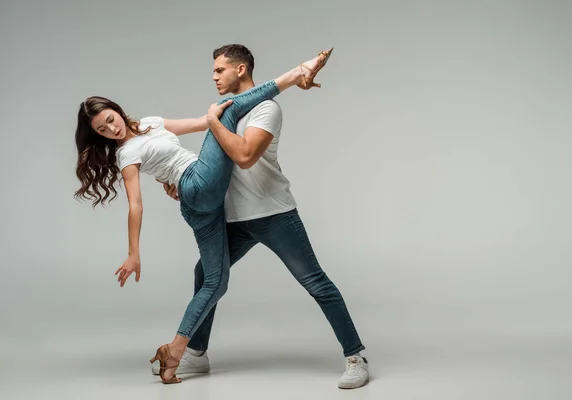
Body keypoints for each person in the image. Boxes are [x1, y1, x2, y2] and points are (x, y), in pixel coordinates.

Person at [73, 47, 334, 385]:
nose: (112, 129)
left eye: (110, 119)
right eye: (102, 131)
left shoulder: (151, 123)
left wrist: (202, 136)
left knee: (215, 281)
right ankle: (299, 73)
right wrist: (133, 252)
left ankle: (175, 352)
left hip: (196, 200)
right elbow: (135, 205)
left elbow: (199, 125)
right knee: (223, 114)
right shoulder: (126, 155)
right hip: (196, 186)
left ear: (117, 111)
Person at [157, 44, 369, 389]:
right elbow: (214, 168)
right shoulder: (226, 111)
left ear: (240, 70)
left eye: (219, 70)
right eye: (213, 71)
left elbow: (243, 156)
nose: (213, 76)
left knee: (316, 283)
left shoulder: (266, 109)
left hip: (273, 215)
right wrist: (183, 184)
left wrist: (212, 122)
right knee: (205, 274)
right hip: (234, 218)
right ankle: (197, 353)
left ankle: (355, 356)